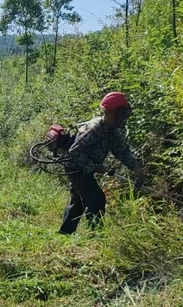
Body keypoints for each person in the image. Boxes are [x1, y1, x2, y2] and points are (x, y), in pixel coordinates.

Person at [58, 91, 144, 235]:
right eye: (121, 114)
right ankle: (95, 235)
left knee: (78, 199)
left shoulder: (113, 132)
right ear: (110, 113)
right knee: (97, 199)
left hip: (85, 168)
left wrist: (136, 169)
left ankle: (65, 233)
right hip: (75, 167)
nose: (123, 118)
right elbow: (74, 151)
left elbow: (122, 151)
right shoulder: (94, 129)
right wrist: (94, 167)